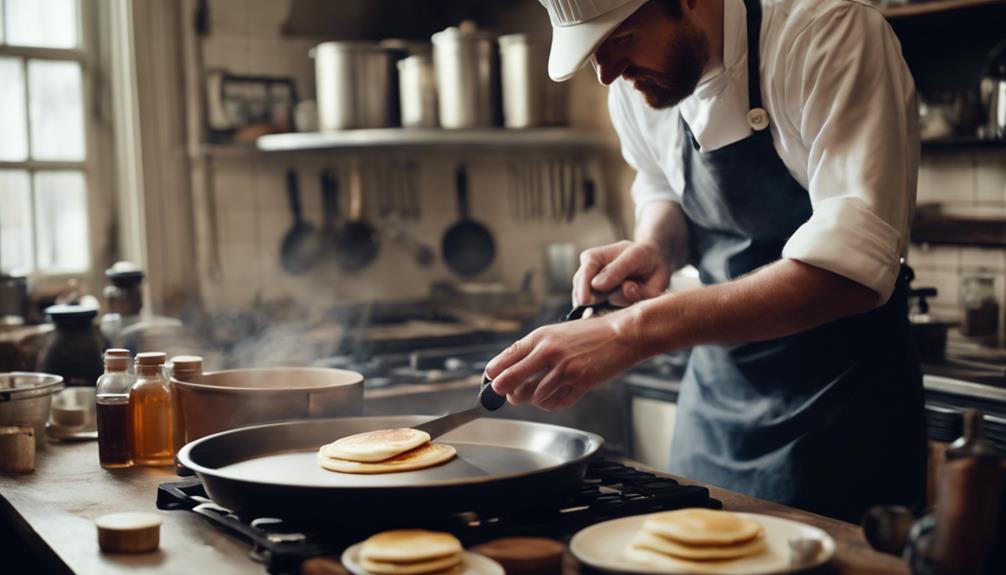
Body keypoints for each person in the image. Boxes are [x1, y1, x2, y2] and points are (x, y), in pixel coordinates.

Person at [485, 0, 926, 522]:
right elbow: (660, 189)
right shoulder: (636, 81)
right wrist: (654, 247)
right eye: (592, 54)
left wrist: (629, 332)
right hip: (717, 403)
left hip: (844, 412)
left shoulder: (826, 35)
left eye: (620, 39)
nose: (606, 74)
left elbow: (849, 272)